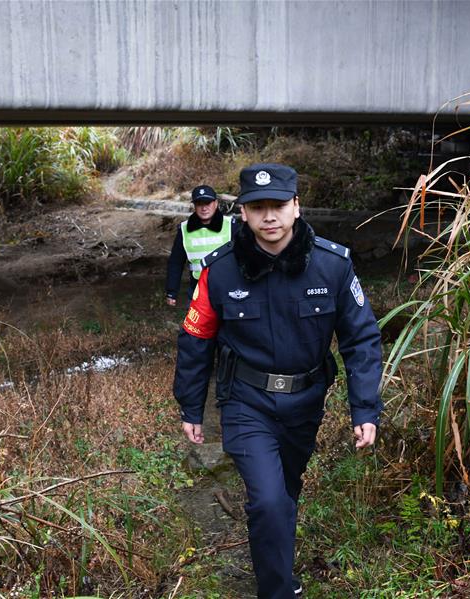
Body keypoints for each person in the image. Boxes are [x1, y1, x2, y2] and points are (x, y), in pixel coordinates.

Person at [173, 163, 383, 598]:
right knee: (268, 499)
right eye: (258, 207)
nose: (270, 216)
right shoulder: (221, 270)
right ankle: (277, 591)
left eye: (278, 206)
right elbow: (195, 339)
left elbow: (361, 339)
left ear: (296, 207)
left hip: (305, 401)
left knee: (284, 493)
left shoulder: (332, 266)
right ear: (243, 215)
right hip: (246, 401)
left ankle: (280, 574)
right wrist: (191, 407)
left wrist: (364, 407)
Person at [165, 185, 236, 306]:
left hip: (227, 289)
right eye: (199, 204)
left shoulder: (231, 225)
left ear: (216, 203)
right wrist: (172, 291)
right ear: (194, 206)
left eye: (208, 203)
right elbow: (176, 262)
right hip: (196, 290)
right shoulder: (184, 229)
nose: (204, 208)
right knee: (194, 325)